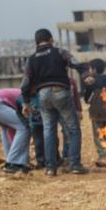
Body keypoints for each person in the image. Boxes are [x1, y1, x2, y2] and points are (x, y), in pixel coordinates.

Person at [20, 28, 88, 177]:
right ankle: (75, 164)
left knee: (48, 130)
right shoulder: (59, 52)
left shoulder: (31, 59)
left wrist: (26, 103)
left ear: (36, 43)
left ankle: (50, 168)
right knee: (73, 129)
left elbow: (25, 83)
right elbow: (74, 62)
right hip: (60, 91)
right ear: (51, 40)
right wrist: (85, 74)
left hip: (43, 96)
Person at [82, 58, 106, 167]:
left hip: (96, 113)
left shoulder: (92, 81)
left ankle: (104, 156)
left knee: (99, 136)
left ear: (93, 70)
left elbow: (86, 98)